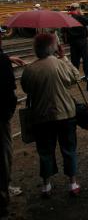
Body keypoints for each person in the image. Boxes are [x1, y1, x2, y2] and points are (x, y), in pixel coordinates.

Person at [20, 33, 81, 197]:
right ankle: (72, 183)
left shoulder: (30, 69)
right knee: (69, 148)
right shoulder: (60, 64)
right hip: (65, 114)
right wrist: (65, 58)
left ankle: (46, 186)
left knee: (45, 151)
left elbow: (26, 88)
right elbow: (75, 78)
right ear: (53, 47)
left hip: (41, 117)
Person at [0, 34, 26, 218]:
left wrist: (8, 58)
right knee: (3, 153)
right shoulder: (1, 61)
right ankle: (2, 196)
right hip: (0, 114)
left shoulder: (2, 58)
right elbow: (9, 87)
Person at [65, 3, 88, 79]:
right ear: (77, 8)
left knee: (74, 59)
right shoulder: (79, 17)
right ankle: (87, 75)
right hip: (82, 40)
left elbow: (63, 30)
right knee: (86, 58)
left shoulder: (67, 17)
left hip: (72, 41)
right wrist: (82, 14)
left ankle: (75, 76)